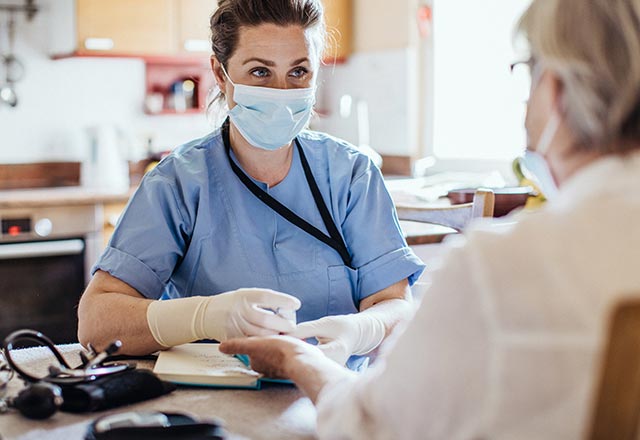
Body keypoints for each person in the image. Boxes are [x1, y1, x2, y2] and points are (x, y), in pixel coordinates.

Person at [219, 0, 640, 437]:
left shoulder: (499, 266)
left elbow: (371, 427)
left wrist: (299, 359)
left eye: (526, 70)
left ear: (553, 87)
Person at [77, 0, 425, 368]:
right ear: (220, 73)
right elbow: (97, 323)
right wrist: (204, 316)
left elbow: (395, 306)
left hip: (333, 396)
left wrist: (358, 332)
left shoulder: (351, 176)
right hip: (213, 402)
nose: (281, 91)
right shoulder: (177, 183)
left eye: (298, 72)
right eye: (260, 72)